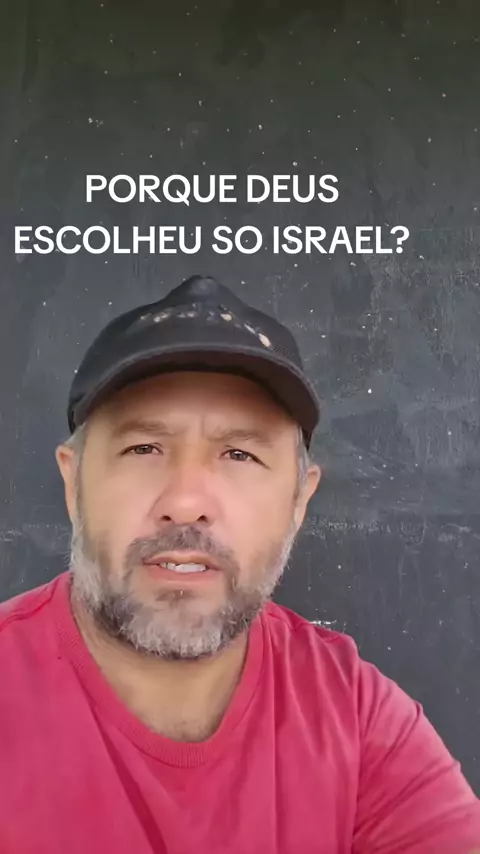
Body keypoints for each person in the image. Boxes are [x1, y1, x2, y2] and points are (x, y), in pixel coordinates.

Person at [0, 274, 479, 854]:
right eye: (143, 448)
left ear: (299, 500)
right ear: (73, 482)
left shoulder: (356, 718)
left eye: (239, 454)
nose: (186, 502)